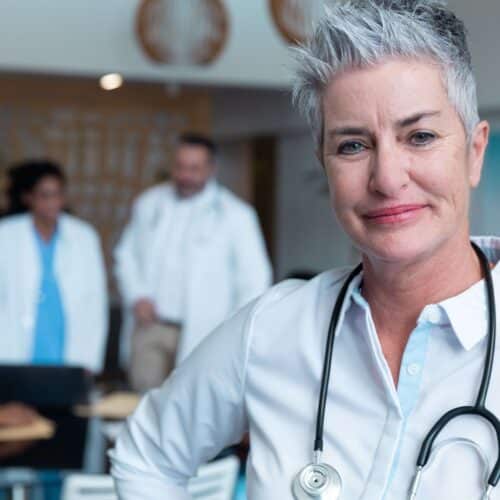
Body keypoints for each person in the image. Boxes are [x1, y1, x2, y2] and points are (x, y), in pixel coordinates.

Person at [111, 1, 498, 498]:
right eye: (353, 146)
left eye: (419, 136)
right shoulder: (272, 329)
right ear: (325, 164)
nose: (386, 178)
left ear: (474, 152)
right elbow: (146, 457)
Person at [114, 133, 272, 392]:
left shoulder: (236, 215)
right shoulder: (149, 203)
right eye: (180, 167)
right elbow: (125, 255)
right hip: (151, 326)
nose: (185, 175)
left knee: (191, 406)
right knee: (143, 404)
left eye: (194, 168)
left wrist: (231, 332)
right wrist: (137, 295)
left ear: (211, 169)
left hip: (205, 330)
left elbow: (255, 280)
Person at [0, 160, 108, 373]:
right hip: (15, 345)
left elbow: (95, 301)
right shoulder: (6, 235)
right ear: (28, 197)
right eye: (45, 195)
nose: (52, 202)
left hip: (66, 342)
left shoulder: (83, 236)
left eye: (57, 195)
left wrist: (90, 358)